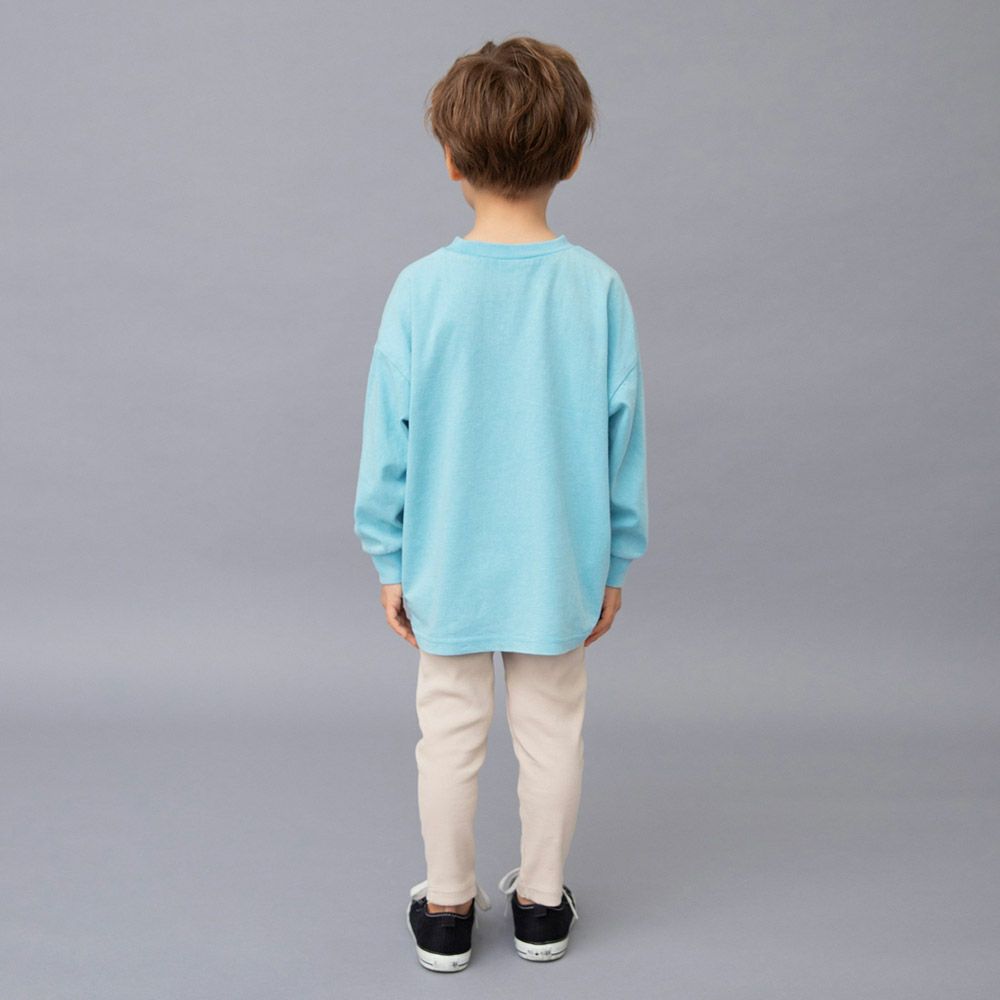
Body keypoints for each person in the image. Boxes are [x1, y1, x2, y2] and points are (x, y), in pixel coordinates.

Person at [352, 35, 649, 971]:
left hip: (444, 557)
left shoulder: (420, 289)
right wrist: (615, 561)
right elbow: (623, 443)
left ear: (450, 158)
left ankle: (446, 909)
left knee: (448, 732)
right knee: (553, 731)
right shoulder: (597, 289)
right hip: (558, 560)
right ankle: (541, 906)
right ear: (572, 157)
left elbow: (387, 441)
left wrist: (389, 557)